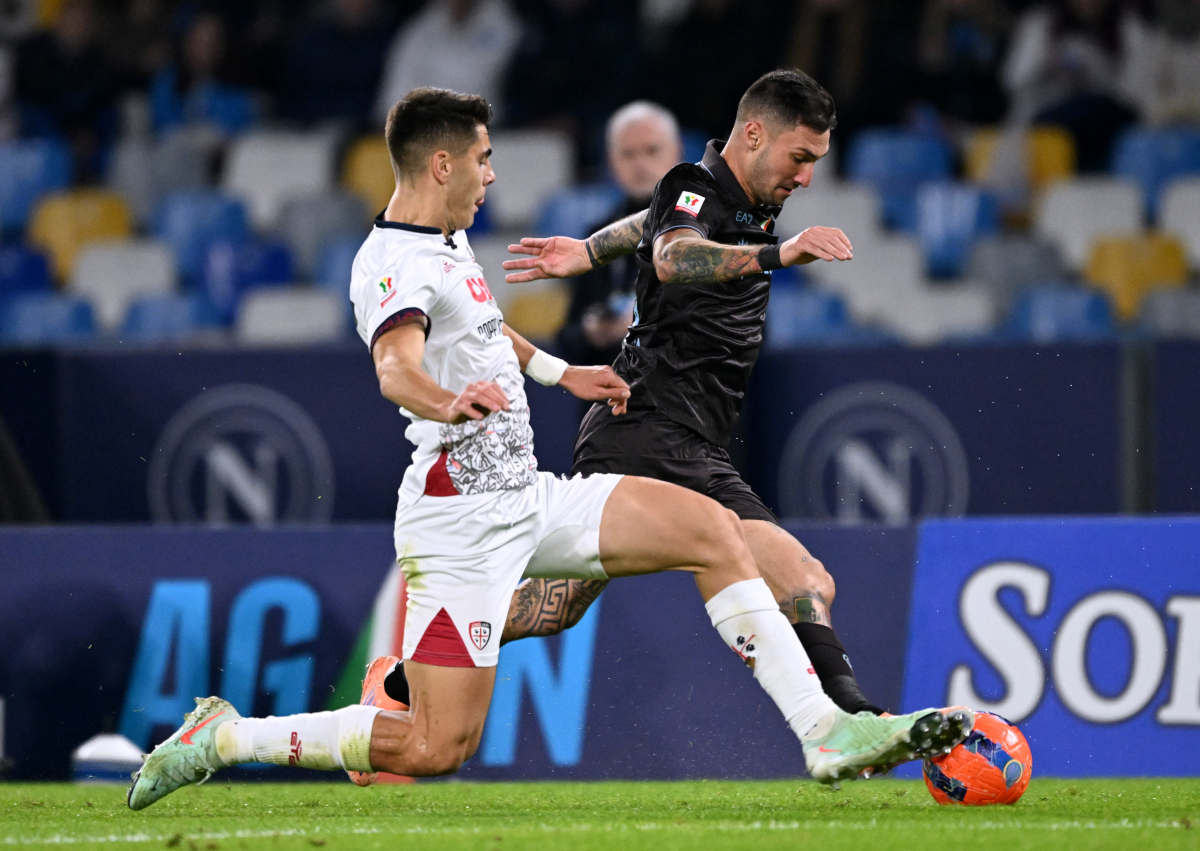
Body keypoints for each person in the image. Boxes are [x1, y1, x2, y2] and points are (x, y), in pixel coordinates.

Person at [126, 87, 972, 811]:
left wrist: (565, 372)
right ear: (443, 165)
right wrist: (445, 400)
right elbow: (396, 367)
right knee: (433, 746)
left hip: (531, 498)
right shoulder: (389, 263)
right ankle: (227, 738)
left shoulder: (448, 244)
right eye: (486, 159)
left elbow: (493, 335)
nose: (496, 174)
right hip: (458, 524)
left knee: (712, 531)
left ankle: (826, 731)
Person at [393, 69, 887, 725]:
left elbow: (659, 220)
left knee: (560, 602)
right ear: (755, 133)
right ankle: (854, 720)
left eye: (815, 163)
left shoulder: (736, 196)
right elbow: (674, 255)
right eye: (800, 158)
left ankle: (406, 673)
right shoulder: (702, 187)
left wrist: (592, 250)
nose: (805, 177)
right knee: (802, 581)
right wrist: (780, 253)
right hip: (649, 425)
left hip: (671, 435)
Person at [557, 101, 683, 368]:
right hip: (615, 399)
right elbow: (567, 339)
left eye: (652, 151)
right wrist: (592, 332)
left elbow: (748, 330)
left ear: (677, 152)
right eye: (628, 154)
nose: (640, 164)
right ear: (610, 160)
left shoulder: (715, 226)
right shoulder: (597, 237)